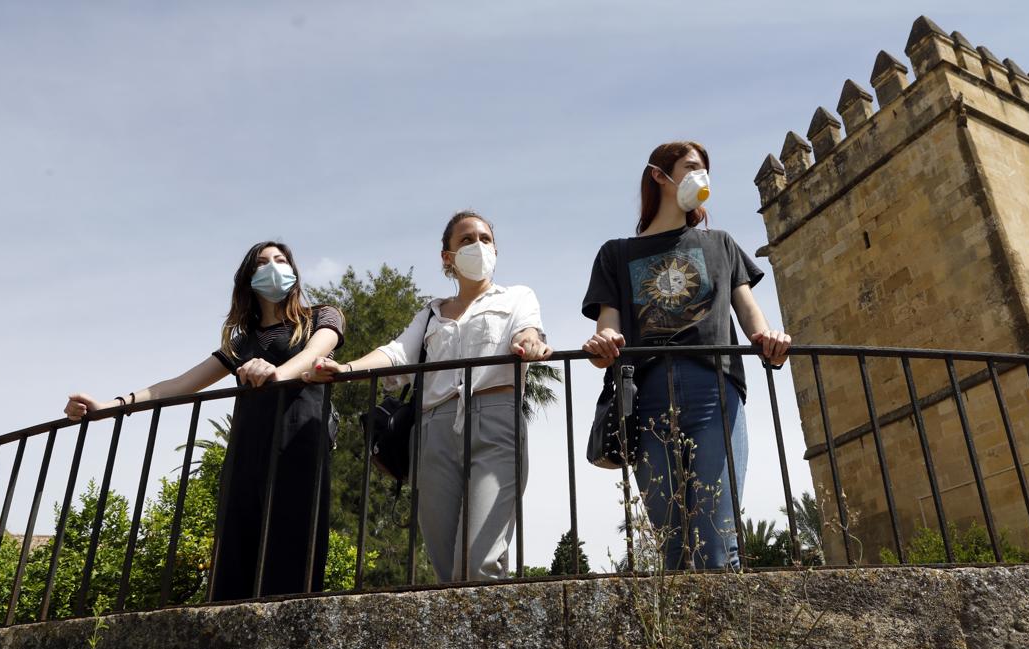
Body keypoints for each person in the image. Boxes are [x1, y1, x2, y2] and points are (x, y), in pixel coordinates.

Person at [64, 241, 345, 600]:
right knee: (235, 556)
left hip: (298, 446)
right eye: (262, 263)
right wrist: (111, 405)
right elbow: (180, 384)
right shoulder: (241, 343)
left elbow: (314, 354)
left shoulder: (321, 316)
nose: (273, 267)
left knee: (293, 550)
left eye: (281, 260)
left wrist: (276, 374)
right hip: (246, 452)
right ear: (248, 278)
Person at [308, 210, 551, 582]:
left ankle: (488, 636)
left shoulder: (518, 296)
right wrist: (346, 369)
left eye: (485, 239)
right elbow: (397, 354)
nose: (478, 246)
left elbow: (527, 331)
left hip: (495, 419)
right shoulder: (431, 313)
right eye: (467, 240)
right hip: (433, 430)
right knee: (443, 561)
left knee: (478, 561)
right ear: (447, 256)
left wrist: (530, 342)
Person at [581, 141, 791, 570]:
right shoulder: (616, 253)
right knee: (672, 543)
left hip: (714, 390)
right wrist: (602, 345)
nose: (703, 178)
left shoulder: (722, 244)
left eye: (706, 169)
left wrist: (769, 338)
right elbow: (608, 325)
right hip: (646, 397)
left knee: (718, 540)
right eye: (692, 167)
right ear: (659, 175)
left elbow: (749, 311)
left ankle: (731, 637)